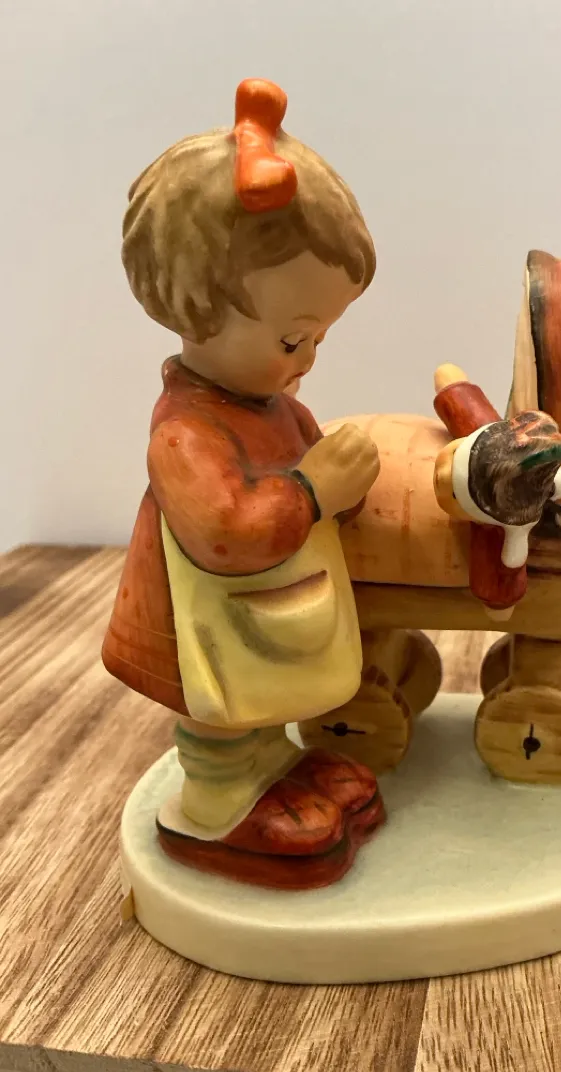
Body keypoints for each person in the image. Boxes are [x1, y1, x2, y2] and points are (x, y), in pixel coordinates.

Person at [103, 79, 384, 888]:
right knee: (222, 711)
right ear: (197, 314)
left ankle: (272, 765)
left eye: (320, 338)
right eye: (295, 339)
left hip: (265, 620)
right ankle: (218, 800)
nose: (309, 361)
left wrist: (346, 485)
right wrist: (313, 493)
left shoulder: (272, 405)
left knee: (262, 700)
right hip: (202, 625)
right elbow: (226, 530)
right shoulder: (186, 434)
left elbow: (315, 482)